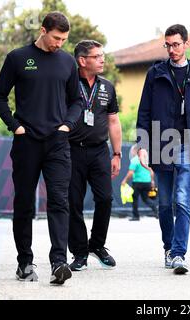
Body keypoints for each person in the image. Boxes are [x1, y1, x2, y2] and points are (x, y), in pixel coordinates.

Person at [0, 12, 83, 285]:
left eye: (64, 39)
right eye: (56, 38)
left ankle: (58, 262)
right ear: (43, 30)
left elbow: (76, 100)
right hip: (26, 141)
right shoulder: (18, 58)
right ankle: (25, 263)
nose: (60, 44)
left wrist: (67, 125)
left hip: (57, 142)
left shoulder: (67, 61)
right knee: (24, 204)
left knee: (59, 201)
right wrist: (14, 126)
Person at [136, 24, 190, 275]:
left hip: (188, 144)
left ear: (186, 44)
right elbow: (145, 112)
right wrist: (142, 145)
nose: (172, 49)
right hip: (162, 143)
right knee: (164, 203)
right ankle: (168, 247)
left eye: (176, 44)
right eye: (168, 45)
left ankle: (179, 253)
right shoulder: (155, 74)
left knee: (181, 200)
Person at [66, 40, 122, 272]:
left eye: (102, 55)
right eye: (97, 56)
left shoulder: (107, 87)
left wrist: (117, 153)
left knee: (105, 199)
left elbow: (113, 121)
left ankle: (97, 245)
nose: (102, 59)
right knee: (73, 203)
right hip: (71, 149)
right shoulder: (67, 85)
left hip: (100, 150)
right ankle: (79, 253)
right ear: (82, 60)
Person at [121, 145, 158, 221]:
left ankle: (136, 216)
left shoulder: (135, 160)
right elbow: (151, 171)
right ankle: (157, 211)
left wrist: (124, 180)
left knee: (135, 199)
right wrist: (152, 181)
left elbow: (131, 173)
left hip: (137, 182)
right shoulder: (146, 160)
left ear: (135, 151)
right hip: (147, 182)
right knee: (146, 199)